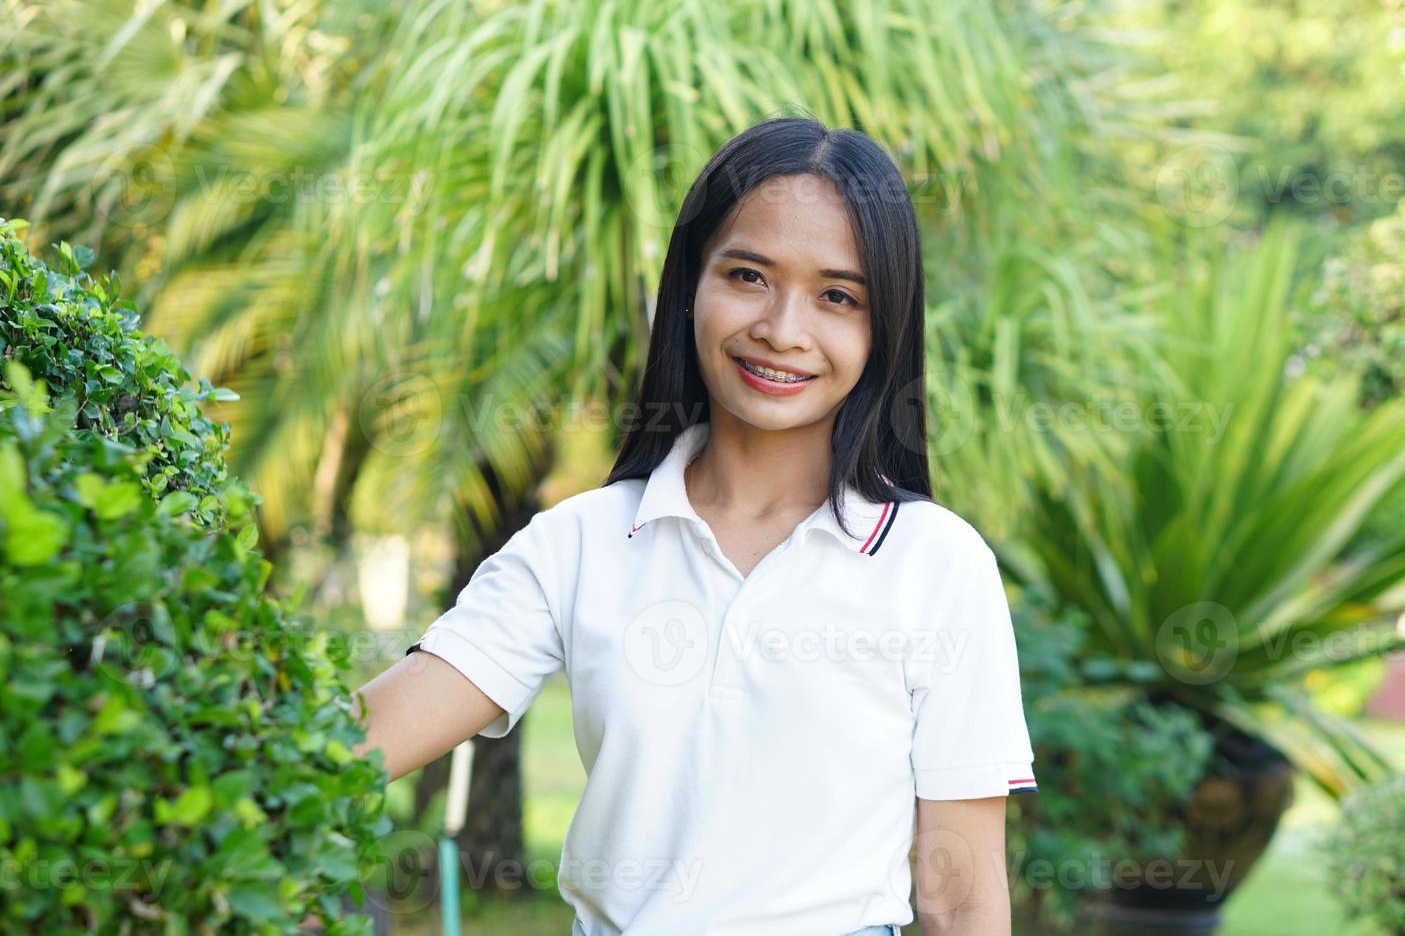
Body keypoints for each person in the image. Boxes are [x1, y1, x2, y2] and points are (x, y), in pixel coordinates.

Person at [350, 114, 1038, 935]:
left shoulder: (936, 565)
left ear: (880, 327)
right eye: (748, 276)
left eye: (836, 296)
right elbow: (349, 747)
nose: (783, 330)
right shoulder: (579, 545)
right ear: (690, 288)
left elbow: (959, 900)